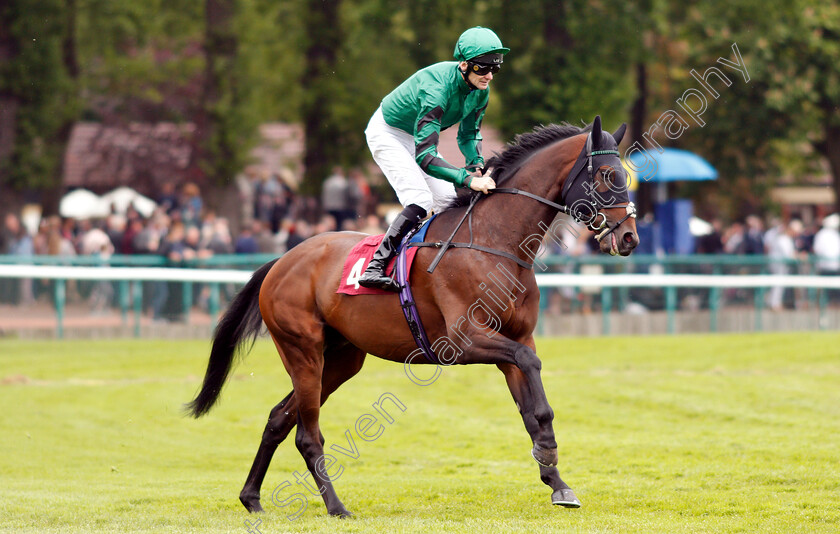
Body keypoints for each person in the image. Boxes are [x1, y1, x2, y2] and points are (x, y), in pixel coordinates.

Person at [358, 26, 508, 292]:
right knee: (420, 200)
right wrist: (467, 180)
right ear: (464, 65)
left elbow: (470, 134)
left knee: (446, 201)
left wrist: (475, 166)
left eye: (494, 69)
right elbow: (426, 157)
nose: (489, 76)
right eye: (482, 69)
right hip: (389, 133)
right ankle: (375, 266)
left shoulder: (480, 90)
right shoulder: (437, 90)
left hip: (417, 135)